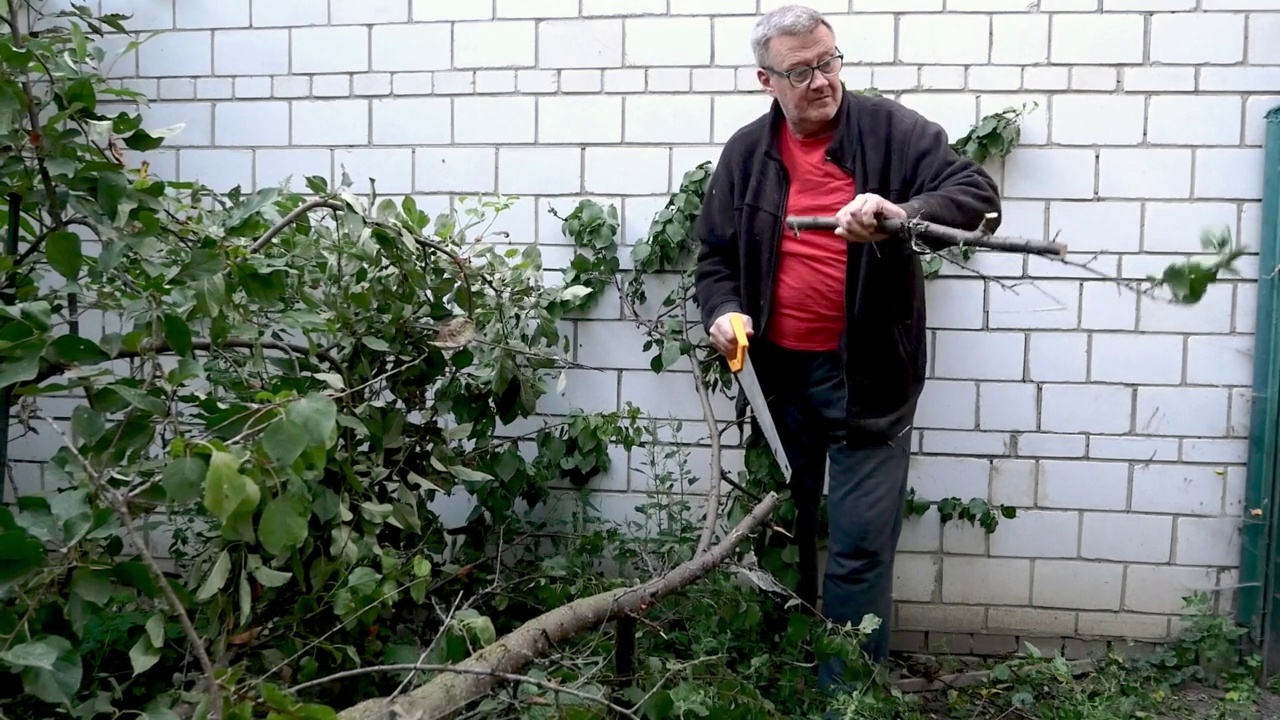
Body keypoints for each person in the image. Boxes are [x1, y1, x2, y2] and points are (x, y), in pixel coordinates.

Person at [692, 4, 1002, 692]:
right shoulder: (749, 153)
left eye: (828, 61)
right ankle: (778, 680)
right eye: (799, 70)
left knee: (859, 545)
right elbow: (713, 257)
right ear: (764, 80)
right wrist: (723, 310)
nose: (821, 80)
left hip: (869, 376)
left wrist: (902, 215)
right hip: (776, 379)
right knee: (777, 530)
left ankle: (848, 700)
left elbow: (976, 194)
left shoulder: (892, 131)